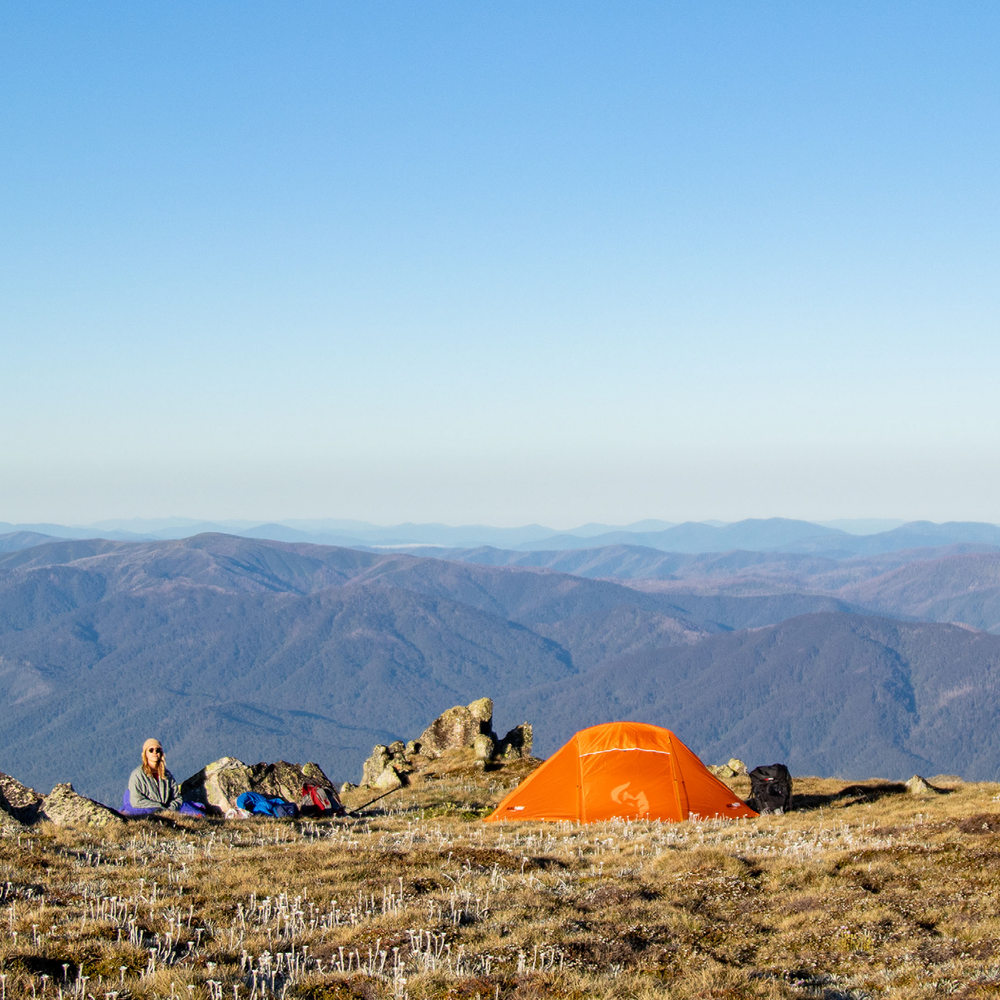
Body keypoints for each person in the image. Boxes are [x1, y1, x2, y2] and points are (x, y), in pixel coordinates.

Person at [124, 739, 201, 815]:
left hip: (166, 809)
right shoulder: (137, 775)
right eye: (151, 750)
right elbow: (136, 800)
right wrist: (159, 807)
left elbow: (176, 797)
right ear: (145, 754)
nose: (155, 752)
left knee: (196, 812)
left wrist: (170, 810)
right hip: (145, 808)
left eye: (158, 750)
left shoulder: (167, 775)